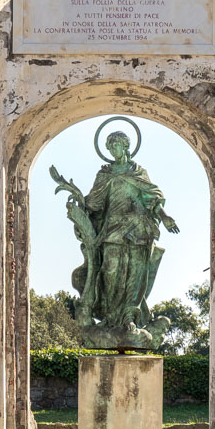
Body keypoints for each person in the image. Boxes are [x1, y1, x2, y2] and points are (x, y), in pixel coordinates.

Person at [82, 131, 178, 331]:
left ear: (125, 146)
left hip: (138, 228)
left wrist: (165, 217)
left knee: (136, 274)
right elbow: (94, 202)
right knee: (110, 271)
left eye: (115, 145)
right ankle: (110, 317)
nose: (112, 150)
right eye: (109, 146)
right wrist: (82, 208)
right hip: (113, 228)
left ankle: (129, 317)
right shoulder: (105, 174)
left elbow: (152, 198)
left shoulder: (138, 172)